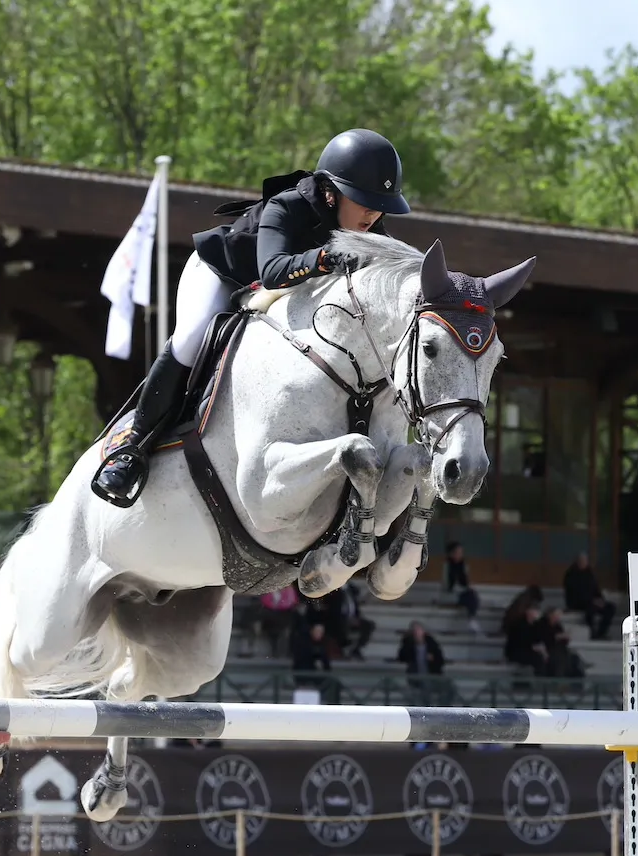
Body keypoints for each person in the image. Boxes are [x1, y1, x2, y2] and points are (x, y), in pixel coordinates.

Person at [92, 128, 411, 506]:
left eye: (379, 205)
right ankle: (133, 446)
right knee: (191, 340)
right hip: (223, 274)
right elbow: (274, 270)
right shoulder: (287, 206)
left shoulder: (371, 227)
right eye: (363, 201)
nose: (373, 213)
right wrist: (324, 259)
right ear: (330, 191)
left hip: (275, 295)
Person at [562, 552, 613, 640]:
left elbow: (595, 589)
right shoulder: (571, 575)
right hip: (577, 602)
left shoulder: (589, 573)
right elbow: (575, 593)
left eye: (585, 561)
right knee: (591, 610)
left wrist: (601, 600)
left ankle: (601, 633)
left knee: (610, 608)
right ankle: (592, 633)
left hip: (592, 601)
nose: (583, 563)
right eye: (581, 561)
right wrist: (592, 601)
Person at [398, 621, 447, 705]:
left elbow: (440, 660)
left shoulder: (431, 643)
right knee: (415, 695)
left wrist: (433, 659)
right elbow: (401, 657)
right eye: (415, 631)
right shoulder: (408, 643)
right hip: (414, 676)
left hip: (430, 675)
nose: (417, 633)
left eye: (419, 630)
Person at [442, 541, 482, 634]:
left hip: (462, 592)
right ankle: (471, 619)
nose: (460, 555)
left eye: (461, 552)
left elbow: (466, 580)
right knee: (470, 597)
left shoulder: (463, 565)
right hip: (451, 593)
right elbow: (446, 584)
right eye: (457, 552)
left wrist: (468, 586)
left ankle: (471, 619)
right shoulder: (447, 566)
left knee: (472, 595)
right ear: (451, 553)